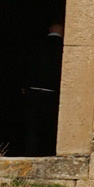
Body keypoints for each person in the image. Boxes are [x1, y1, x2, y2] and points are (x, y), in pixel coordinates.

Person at [22, 21, 63, 155]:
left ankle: (30, 153)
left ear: (50, 28)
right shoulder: (63, 47)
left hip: (33, 90)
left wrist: (24, 85)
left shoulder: (36, 44)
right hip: (52, 92)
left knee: (32, 126)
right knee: (50, 126)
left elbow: (26, 64)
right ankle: (47, 153)